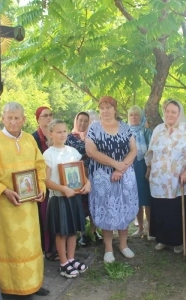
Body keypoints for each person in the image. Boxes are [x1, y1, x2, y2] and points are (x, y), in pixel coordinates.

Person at [0, 102, 49, 297]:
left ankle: (34, 284)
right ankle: (12, 289)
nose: (13, 121)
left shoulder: (29, 140)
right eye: (9, 117)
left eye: (17, 117)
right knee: (11, 248)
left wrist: (41, 187)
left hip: (29, 205)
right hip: (5, 207)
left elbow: (40, 166)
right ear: (2, 119)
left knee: (33, 244)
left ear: (24, 120)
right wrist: (3, 190)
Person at [85, 96, 138, 263]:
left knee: (124, 208)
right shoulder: (94, 128)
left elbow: (133, 150)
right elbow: (91, 152)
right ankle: (108, 248)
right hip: (102, 177)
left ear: (115, 109)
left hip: (125, 174)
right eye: (102, 108)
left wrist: (121, 168)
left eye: (108, 108)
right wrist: (115, 164)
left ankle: (123, 244)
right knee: (106, 210)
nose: (105, 111)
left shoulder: (125, 127)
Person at [145, 99, 186, 253]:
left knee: (177, 211)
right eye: (167, 111)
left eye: (173, 112)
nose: (170, 114)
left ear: (179, 113)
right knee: (162, 210)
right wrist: (148, 168)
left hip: (180, 179)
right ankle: (163, 239)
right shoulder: (158, 129)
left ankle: (179, 241)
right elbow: (150, 152)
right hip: (159, 179)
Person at [44, 119, 90, 278]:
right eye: (58, 132)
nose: (62, 134)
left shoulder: (72, 152)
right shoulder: (48, 154)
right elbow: (46, 181)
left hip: (74, 197)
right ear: (51, 134)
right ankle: (63, 263)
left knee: (72, 231)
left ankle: (71, 259)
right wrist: (63, 188)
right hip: (59, 199)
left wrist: (88, 183)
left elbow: (81, 172)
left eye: (64, 131)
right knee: (62, 232)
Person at [66, 111, 102, 246]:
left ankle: (94, 231)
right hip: (76, 176)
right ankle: (81, 234)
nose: (82, 123)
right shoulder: (69, 137)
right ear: (76, 121)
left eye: (85, 121)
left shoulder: (93, 136)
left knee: (93, 202)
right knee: (80, 205)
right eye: (80, 120)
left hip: (93, 174)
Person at [32, 106, 56, 260]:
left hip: (56, 182)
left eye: (50, 115)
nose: (48, 118)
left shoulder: (55, 135)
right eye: (45, 115)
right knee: (44, 216)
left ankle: (56, 247)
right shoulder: (33, 138)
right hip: (41, 183)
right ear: (38, 119)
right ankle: (47, 249)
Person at [127, 105, 153, 239]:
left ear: (141, 117)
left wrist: (149, 168)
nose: (133, 117)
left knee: (146, 198)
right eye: (131, 115)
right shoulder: (125, 132)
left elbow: (151, 151)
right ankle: (140, 228)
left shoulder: (147, 132)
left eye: (136, 115)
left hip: (144, 166)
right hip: (131, 168)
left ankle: (150, 229)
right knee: (136, 198)